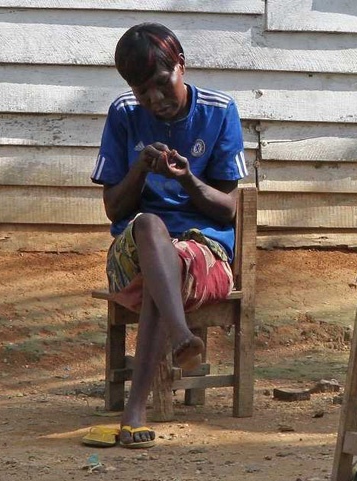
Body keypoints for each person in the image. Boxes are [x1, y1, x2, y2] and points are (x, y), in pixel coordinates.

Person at [86, 22, 248, 448]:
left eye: (162, 83)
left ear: (181, 65)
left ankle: (134, 412)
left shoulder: (219, 111)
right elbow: (114, 208)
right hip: (132, 259)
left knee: (167, 268)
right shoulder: (124, 113)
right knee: (148, 226)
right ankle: (181, 336)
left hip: (203, 255)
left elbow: (229, 209)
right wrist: (140, 167)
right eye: (143, 92)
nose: (155, 99)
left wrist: (188, 180)